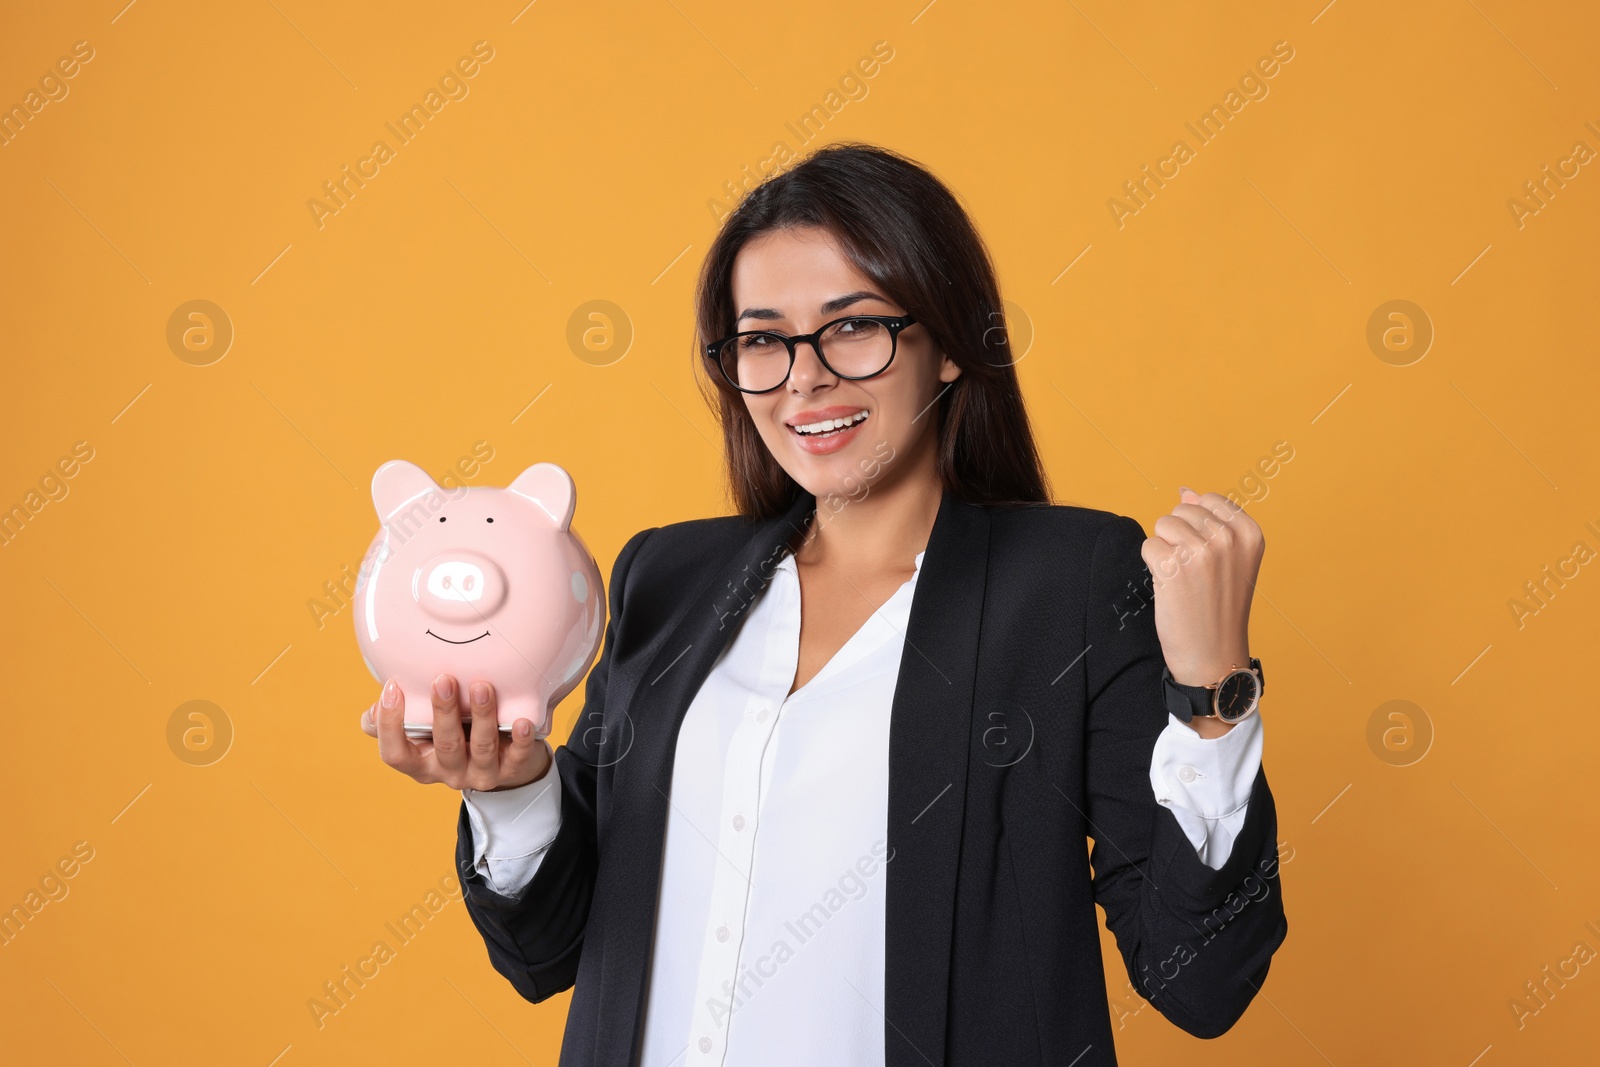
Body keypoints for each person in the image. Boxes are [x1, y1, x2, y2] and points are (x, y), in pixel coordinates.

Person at [361, 142, 1286, 1067]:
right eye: (762, 339)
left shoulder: (1071, 582)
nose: (803, 377)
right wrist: (514, 793)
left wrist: (1213, 694)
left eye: (851, 327)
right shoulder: (663, 580)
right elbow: (546, 952)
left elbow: (1196, 980)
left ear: (955, 345)